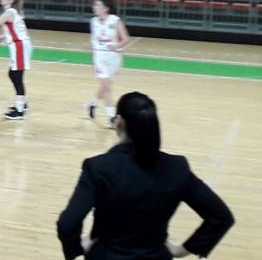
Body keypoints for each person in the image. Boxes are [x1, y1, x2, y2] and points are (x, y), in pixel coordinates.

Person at [57, 92, 234, 259]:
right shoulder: (177, 167)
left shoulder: (98, 168)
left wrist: (77, 247)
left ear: (119, 122)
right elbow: (220, 217)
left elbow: (67, 224)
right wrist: (180, 250)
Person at [87, 0, 132, 128]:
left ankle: (92, 104)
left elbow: (126, 39)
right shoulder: (93, 21)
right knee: (106, 86)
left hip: (114, 57)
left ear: (105, 9)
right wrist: (92, 51)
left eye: (97, 5)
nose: (94, 7)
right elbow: (93, 38)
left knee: (105, 86)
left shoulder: (115, 21)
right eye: (94, 5)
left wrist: (116, 46)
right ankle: (112, 117)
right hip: (100, 57)